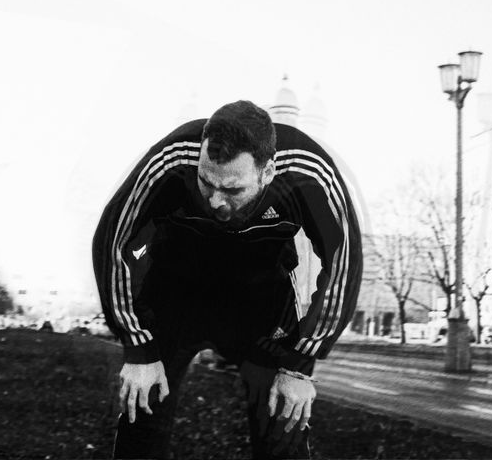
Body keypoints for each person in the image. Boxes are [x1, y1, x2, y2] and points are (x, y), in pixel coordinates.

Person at [92, 100, 362, 459]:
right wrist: (137, 345)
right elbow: (113, 239)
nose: (216, 202)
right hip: (176, 292)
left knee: (283, 425)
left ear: (268, 171)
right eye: (206, 183)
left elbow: (343, 262)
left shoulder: (309, 173)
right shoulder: (173, 158)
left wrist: (299, 364)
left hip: (261, 300)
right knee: (142, 413)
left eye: (233, 190)